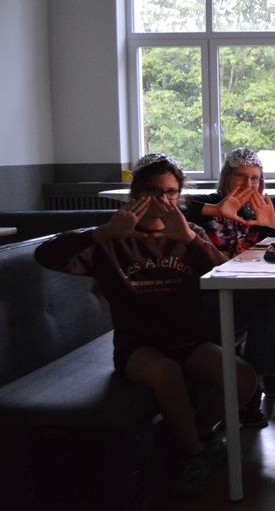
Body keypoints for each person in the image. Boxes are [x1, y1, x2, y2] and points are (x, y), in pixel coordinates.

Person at [35, 153, 258, 496]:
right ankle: (193, 455)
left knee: (245, 380)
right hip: (138, 346)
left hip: (190, 341)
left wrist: (190, 238)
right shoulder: (112, 238)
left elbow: (225, 273)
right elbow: (46, 255)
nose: (163, 200)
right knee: (166, 374)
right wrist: (103, 233)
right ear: (137, 194)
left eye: (171, 192)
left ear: (179, 196)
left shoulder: (189, 234)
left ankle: (197, 433)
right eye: (154, 192)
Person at [182, 148, 275, 426]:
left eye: (255, 179)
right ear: (226, 178)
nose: (249, 184)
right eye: (241, 177)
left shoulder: (257, 211)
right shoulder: (207, 205)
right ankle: (252, 388)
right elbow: (179, 206)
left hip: (252, 295)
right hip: (211, 298)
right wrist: (217, 209)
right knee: (272, 300)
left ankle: (268, 368)